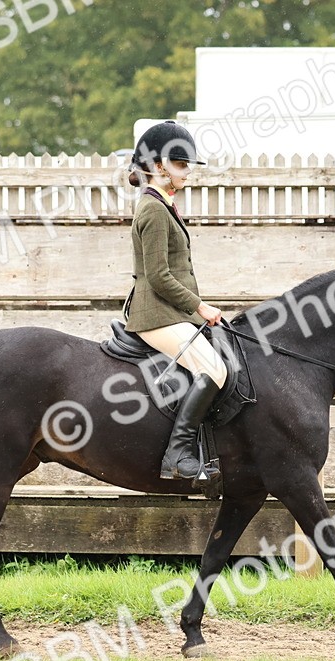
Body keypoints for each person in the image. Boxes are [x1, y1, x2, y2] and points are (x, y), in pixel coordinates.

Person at [123, 121, 228, 481]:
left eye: (188, 166)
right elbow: (158, 276)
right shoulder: (153, 209)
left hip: (169, 313)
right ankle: (177, 456)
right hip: (155, 316)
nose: (187, 173)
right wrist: (200, 306)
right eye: (181, 165)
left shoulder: (162, 205)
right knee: (215, 370)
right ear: (159, 166)